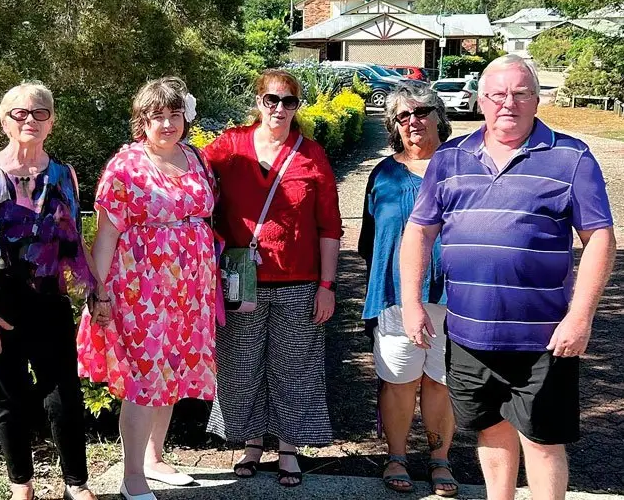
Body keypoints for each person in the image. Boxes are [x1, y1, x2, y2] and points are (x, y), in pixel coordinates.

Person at [400, 54, 616, 500]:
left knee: (542, 440)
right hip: (468, 334)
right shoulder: (451, 158)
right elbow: (419, 231)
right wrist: (411, 302)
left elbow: (599, 238)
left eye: (520, 94)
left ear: (537, 100)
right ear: (480, 100)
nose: (508, 103)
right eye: (497, 94)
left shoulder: (572, 157)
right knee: (491, 432)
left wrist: (580, 318)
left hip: (544, 337)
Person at [76, 77, 217, 500]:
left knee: (169, 371)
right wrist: (99, 291)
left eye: (175, 115)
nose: (168, 123)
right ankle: (131, 474)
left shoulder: (196, 158)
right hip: (142, 290)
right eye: (158, 116)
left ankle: (155, 459)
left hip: (190, 290)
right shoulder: (126, 166)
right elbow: (105, 237)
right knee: (144, 378)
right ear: (143, 121)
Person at [203, 69, 342, 488]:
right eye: (271, 99)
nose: (279, 108)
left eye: (288, 101)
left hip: (300, 283)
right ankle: (249, 443)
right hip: (239, 281)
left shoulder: (311, 155)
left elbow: (330, 226)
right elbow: (188, 179)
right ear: (258, 101)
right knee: (240, 366)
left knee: (294, 367)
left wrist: (327, 286)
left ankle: (287, 447)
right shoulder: (229, 146)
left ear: (298, 106)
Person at [0, 82, 102, 500]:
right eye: (20, 113)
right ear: (3, 120)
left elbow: (75, 241)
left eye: (40, 112)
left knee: (62, 392)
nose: (30, 119)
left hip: (50, 297)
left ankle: (75, 482)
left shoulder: (65, 175)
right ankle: (20, 484)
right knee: (7, 395)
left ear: (52, 120)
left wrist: (93, 291)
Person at [358, 81, 458, 497]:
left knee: (439, 380)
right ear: (393, 125)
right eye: (402, 116)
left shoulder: (460, 165)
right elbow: (369, 240)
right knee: (398, 379)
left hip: (453, 296)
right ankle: (396, 456)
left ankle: (440, 459)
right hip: (396, 295)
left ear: (439, 116)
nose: (412, 121)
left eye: (421, 112)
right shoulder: (381, 175)